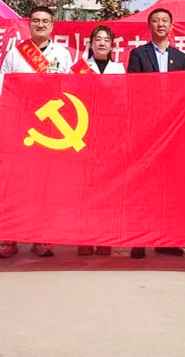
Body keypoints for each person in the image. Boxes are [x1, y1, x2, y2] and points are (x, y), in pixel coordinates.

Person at [0, 6, 72, 259]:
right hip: (20, 127)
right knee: (15, 184)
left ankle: (41, 237)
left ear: (52, 26)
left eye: (45, 21)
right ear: (29, 24)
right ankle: (9, 237)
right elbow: (2, 87)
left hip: (51, 130)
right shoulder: (15, 53)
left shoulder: (62, 54)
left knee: (45, 184)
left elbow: (71, 89)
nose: (40, 25)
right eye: (36, 20)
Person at [127, 7, 185, 258]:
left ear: (171, 26)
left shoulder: (181, 57)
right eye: (156, 21)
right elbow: (133, 89)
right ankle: (140, 239)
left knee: (169, 184)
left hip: (173, 130)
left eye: (165, 20)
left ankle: (166, 239)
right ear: (149, 26)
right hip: (146, 128)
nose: (160, 24)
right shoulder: (138, 54)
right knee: (143, 183)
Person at [72, 24, 125, 255]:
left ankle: (105, 238)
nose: (102, 43)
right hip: (84, 132)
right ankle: (84, 238)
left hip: (111, 134)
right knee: (85, 186)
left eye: (106, 40)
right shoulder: (79, 69)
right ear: (91, 44)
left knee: (108, 186)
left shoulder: (119, 69)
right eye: (98, 39)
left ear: (112, 45)